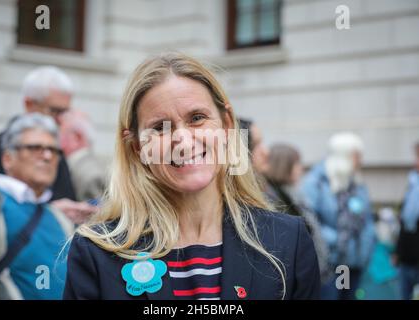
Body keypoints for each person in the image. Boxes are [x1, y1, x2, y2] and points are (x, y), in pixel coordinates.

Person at [63, 52, 320, 300]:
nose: (184, 142)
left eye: (197, 118)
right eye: (159, 128)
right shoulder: (96, 253)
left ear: (227, 124)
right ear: (137, 147)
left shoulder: (288, 240)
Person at [0, 66, 95, 224]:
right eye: (55, 111)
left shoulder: (57, 151)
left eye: (65, 112)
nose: (61, 120)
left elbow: (63, 200)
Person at [0, 113, 74, 299]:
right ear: (7, 159)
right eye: (35, 148)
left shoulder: (60, 218)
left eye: (53, 150)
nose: (47, 156)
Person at [302, 132, 375, 300]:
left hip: (352, 264)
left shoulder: (356, 184)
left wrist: (366, 246)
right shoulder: (316, 183)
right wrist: (339, 239)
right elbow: (309, 221)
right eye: (357, 155)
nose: (361, 160)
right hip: (329, 264)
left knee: (347, 296)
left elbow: (367, 220)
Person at [265, 144, 331, 283]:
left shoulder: (294, 194)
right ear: (284, 165)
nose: (301, 168)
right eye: (297, 163)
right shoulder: (277, 199)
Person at [59, 110, 106, 202]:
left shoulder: (90, 175)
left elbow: (94, 214)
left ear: (77, 137)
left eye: (61, 133)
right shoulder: (79, 167)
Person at [396, 142, 419, 299]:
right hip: (407, 259)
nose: (415, 161)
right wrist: (398, 251)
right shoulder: (413, 184)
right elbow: (405, 222)